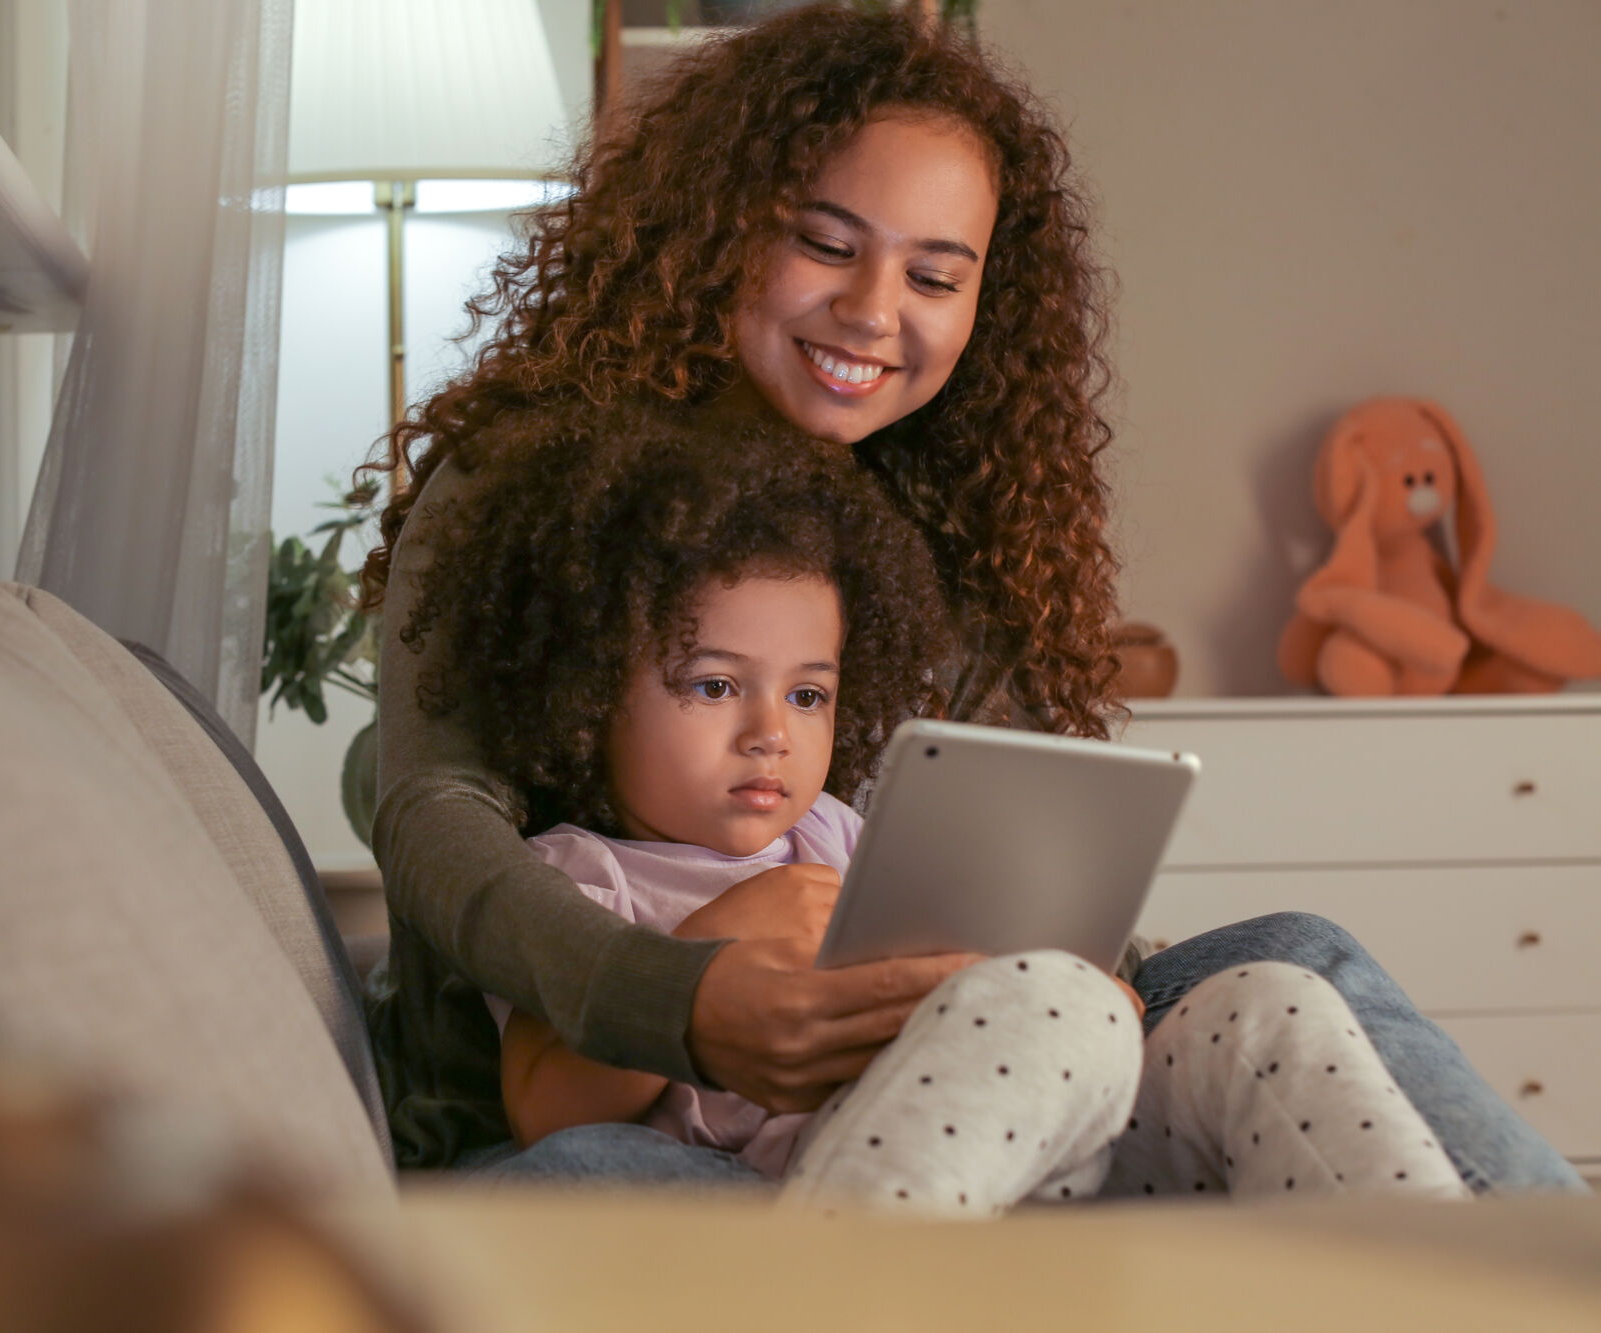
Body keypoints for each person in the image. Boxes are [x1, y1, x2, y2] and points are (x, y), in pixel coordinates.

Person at [359, 4, 1584, 1192]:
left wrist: (1094, 967)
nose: (874, 312)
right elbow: (430, 810)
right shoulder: (532, 482)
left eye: (935, 276)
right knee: (602, 1176)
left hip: (911, 1048)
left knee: (1296, 961)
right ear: (715, 226)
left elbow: (1005, 881)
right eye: (826, 245)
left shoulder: (933, 520)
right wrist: (677, 999)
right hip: (623, 1104)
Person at [399, 408, 1466, 1213]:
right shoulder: (584, 874)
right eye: (712, 685)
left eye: (807, 692)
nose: (770, 729)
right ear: (589, 696)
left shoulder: (840, 835)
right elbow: (545, 1112)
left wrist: (1068, 969)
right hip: (842, 1183)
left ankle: (1445, 1293)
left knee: (1262, 1004)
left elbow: (974, 971)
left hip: (1021, 1146)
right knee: (1066, 1010)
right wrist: (709, 938)